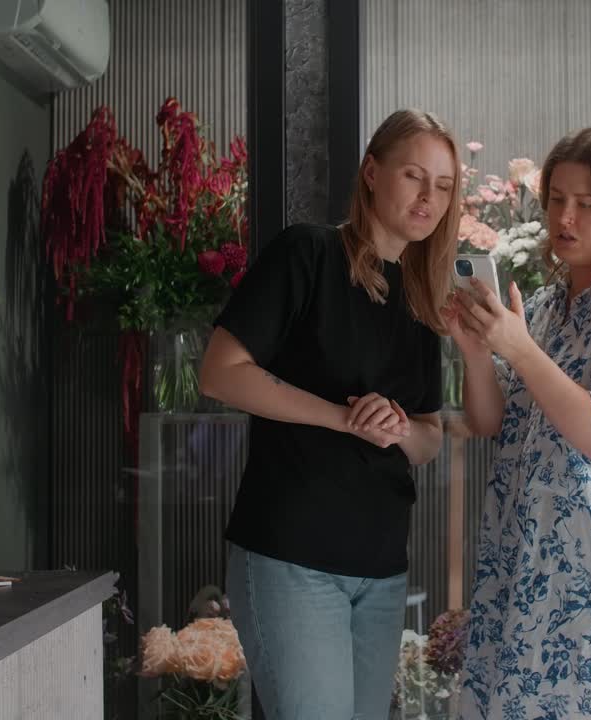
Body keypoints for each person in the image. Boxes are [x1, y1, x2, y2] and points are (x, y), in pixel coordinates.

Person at [198, 108, 461, 720]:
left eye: (444, 186)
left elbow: (428, 440)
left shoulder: (420, 298)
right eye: (413, 176)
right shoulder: (306, 253)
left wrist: (396, 427)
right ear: (371, 172)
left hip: (380, 569)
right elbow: (220, 373)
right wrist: (342, 417)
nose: (429, 198)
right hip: (292, 556)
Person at [447, 128, 591, 719]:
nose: (566, 217)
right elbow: (488, 422)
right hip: (522, 570)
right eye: (556, 199)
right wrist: (476, 350)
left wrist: (519, 349)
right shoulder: (549, 306)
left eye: (587, 204)